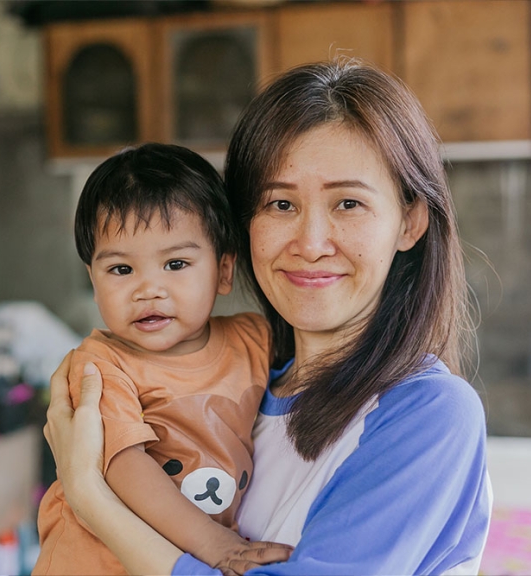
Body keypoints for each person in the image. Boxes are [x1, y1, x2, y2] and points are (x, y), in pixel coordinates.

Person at [42, 59, 493, 576]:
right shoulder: (246, 387)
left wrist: (90, 498)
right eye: (280, 204)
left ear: (410, 221)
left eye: (348, 203)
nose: (311, 244)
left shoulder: (428, 413)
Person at [33, 143, 293, 575]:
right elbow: (122, 464)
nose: (148, 289)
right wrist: (216, 544)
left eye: (175, 263)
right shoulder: (100, 365)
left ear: (224, 270)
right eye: (121, 270)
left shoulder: (255, 338)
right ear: (93, 282)